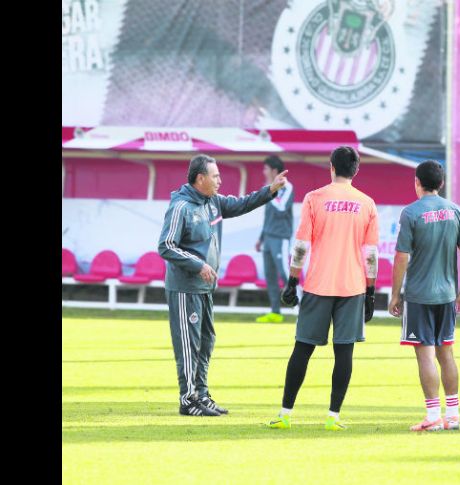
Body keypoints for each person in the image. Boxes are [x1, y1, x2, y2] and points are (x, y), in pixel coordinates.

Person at [158, 154, 287, 416]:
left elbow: (242, 204)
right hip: (185, 288)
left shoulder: (214, 202)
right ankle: (188, 400)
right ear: (200, 178)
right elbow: (166, 246)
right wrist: (199, 265)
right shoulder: (181, 206)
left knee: (206, 342)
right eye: (215, 176)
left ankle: (202, 395)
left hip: (205, 288)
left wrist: (269, 190)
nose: (220, 180)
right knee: (188, 344)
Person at [267, 146, 379, 431]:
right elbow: (371, 254)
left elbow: (302, 245)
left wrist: (293, 280)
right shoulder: (367, 203)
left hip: (318, 284)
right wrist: (370, 291)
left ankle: (285, 414)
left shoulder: (314, 198)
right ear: (356, 170)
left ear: (331, 167)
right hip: (352, 287)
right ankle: (333, 417)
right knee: (345, 353)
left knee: (302, 349)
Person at [388, 160, 460, 432]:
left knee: (425, 355)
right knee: (446, 352)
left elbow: (402, 257)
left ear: (417, 182)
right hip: (447, 294)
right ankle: (454, 414)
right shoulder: (456, 210)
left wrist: (395, 295)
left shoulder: (411, 213)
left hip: (419, 296)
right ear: (442, 183)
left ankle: (433, 415)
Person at [255, 155, 294, 323]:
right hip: (268, 238)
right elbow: (268, 216)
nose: (263, 172)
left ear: (274, 170)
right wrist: (261, 238)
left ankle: (303, 308)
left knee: (285, 274)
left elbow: (281, 208)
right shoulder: (268, 187)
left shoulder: (287, 186)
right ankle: (275, 312)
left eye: (266, 169)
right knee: (270, 276)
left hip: (281, 237)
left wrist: (272, 191)